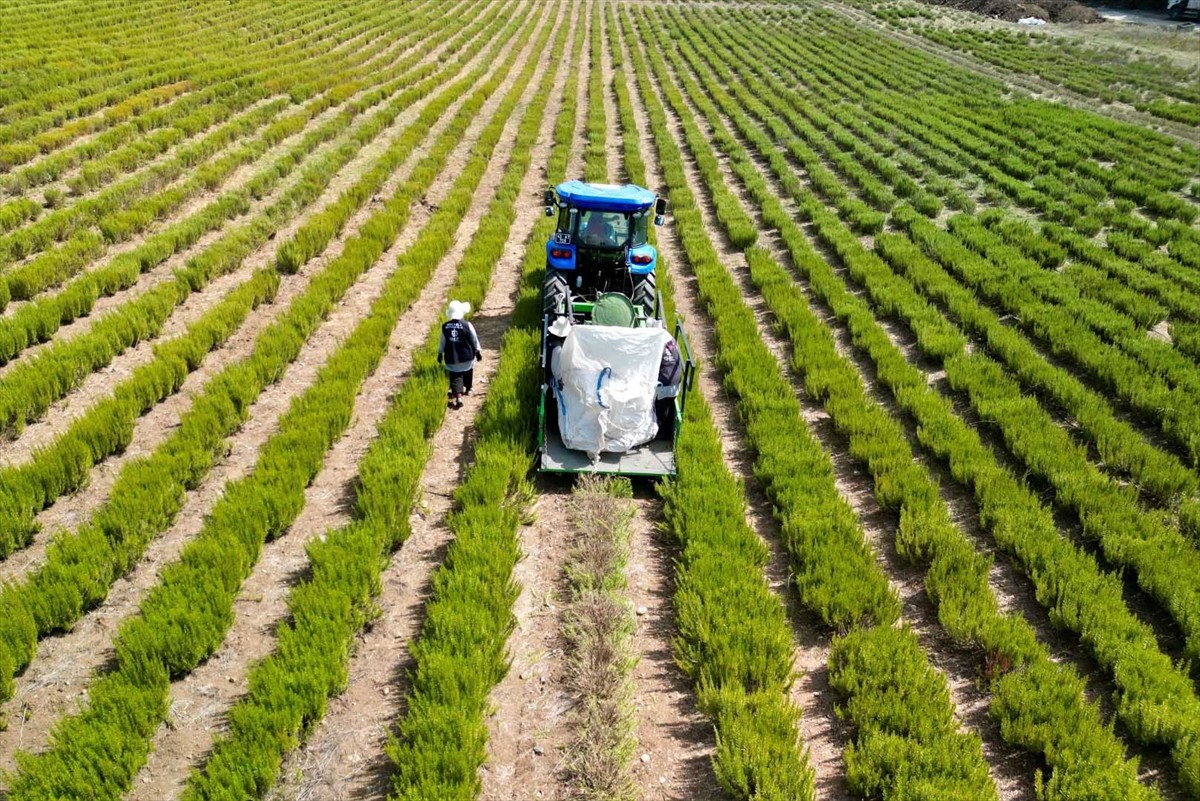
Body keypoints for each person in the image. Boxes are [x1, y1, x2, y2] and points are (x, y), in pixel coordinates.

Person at [438, 300, 482, 409]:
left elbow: (442, 342)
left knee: (455, 375)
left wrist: (440, 353)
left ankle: (458, 395)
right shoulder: (467, 325)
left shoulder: (445, 327)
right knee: (468, 370)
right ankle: (469, 388)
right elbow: (474, 339)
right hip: (467, 356)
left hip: (452, 357)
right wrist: (477, 351)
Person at [655, 337, 683, 436]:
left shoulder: (658, 346)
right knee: (670, 406)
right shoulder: (673, 342)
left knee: (660, 408)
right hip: (676, 383)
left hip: (664, 385)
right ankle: (669, 431)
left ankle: (662, 433)